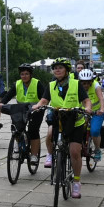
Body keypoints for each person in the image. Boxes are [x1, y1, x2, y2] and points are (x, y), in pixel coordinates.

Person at [43, 58, 92, 198]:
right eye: (55, 68)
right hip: (59, 120)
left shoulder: (76, 84)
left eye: (60, 67)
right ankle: (51, 156)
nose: (57, 70)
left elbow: (86, 100)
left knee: (74, 151)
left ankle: (76, 182)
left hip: (75, 121)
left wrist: (87, 108)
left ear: (66, 70)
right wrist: (38, 105)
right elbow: (44, 100)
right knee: (49, 134)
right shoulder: (51, 84)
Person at [0, 64, 50, 167]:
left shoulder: (37, 83)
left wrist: (40, 106)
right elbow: (9, 95)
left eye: (26, 74)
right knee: (17, 128)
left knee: (33, 131)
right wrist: (2, 103)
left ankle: (34, 155)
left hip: (36, 110)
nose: (24, 76)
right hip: (21, 109)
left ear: (31, 75)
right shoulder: (17, 84)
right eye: (22, 74)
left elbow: (45, 97)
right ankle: (20, 142)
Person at [77, 69, 104, 161]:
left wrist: (101, 109)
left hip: (96, 112)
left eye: (88, 83)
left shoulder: (96, 86)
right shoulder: (76, 86)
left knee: (94, 131)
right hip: (82, 112)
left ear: (91, 81)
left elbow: (101, 98)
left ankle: (97, 150)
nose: (85, 85)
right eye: (83, 83)